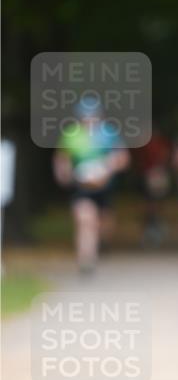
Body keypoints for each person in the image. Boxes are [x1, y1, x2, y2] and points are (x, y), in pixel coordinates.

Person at [52, 96, 130, 273]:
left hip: (105, 187)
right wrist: (64, 174)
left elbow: (123, 158)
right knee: (85, 220)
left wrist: (107, 167)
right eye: (85, 116)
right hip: (81, 187)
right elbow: (61, 159)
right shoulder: (71, 135)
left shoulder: (109, 133)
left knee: (104, 224)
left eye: (92, 115)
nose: (89, 119)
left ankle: (102, 243)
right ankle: (86, 259)